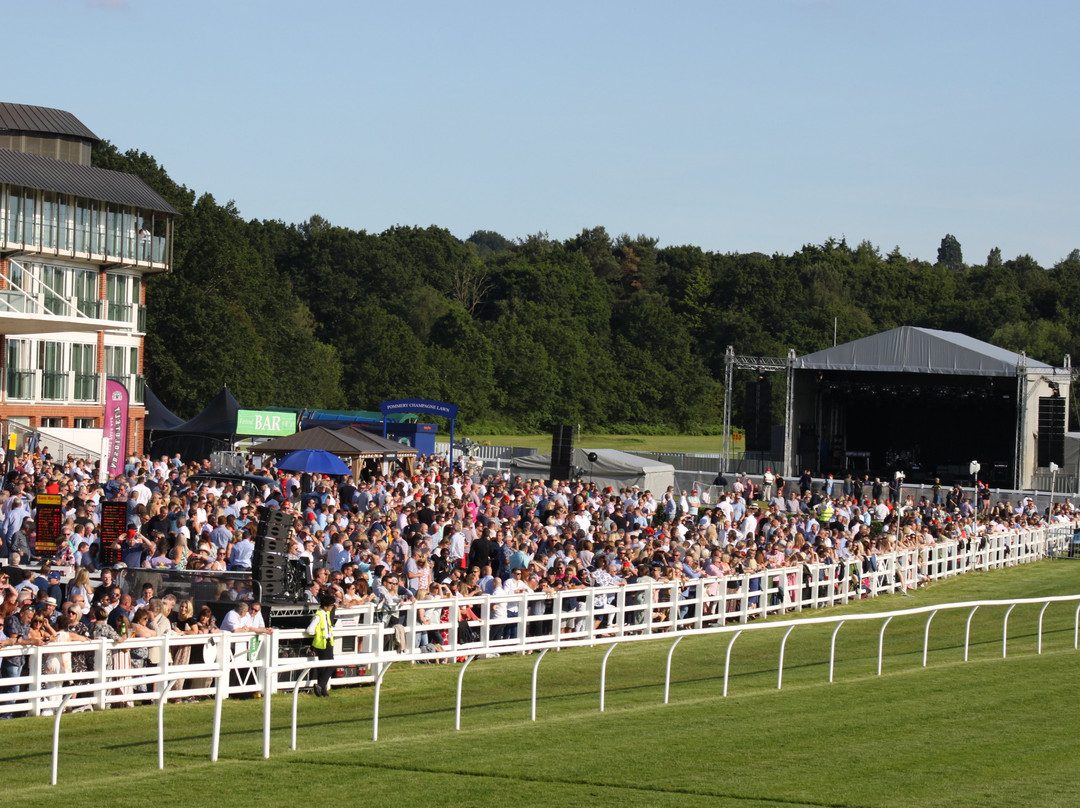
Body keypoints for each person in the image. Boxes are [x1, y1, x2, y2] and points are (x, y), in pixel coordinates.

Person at [305, 592, 336, 697]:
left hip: (327, 642)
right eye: (331, 605)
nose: (332, 607)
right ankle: (320, 685)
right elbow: (310, 630)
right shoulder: (318, 615)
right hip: (322, 643)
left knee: (324, 667)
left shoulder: (325, 613)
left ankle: (322, 690)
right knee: (331, 665)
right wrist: (317, 634)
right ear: (326, 606)